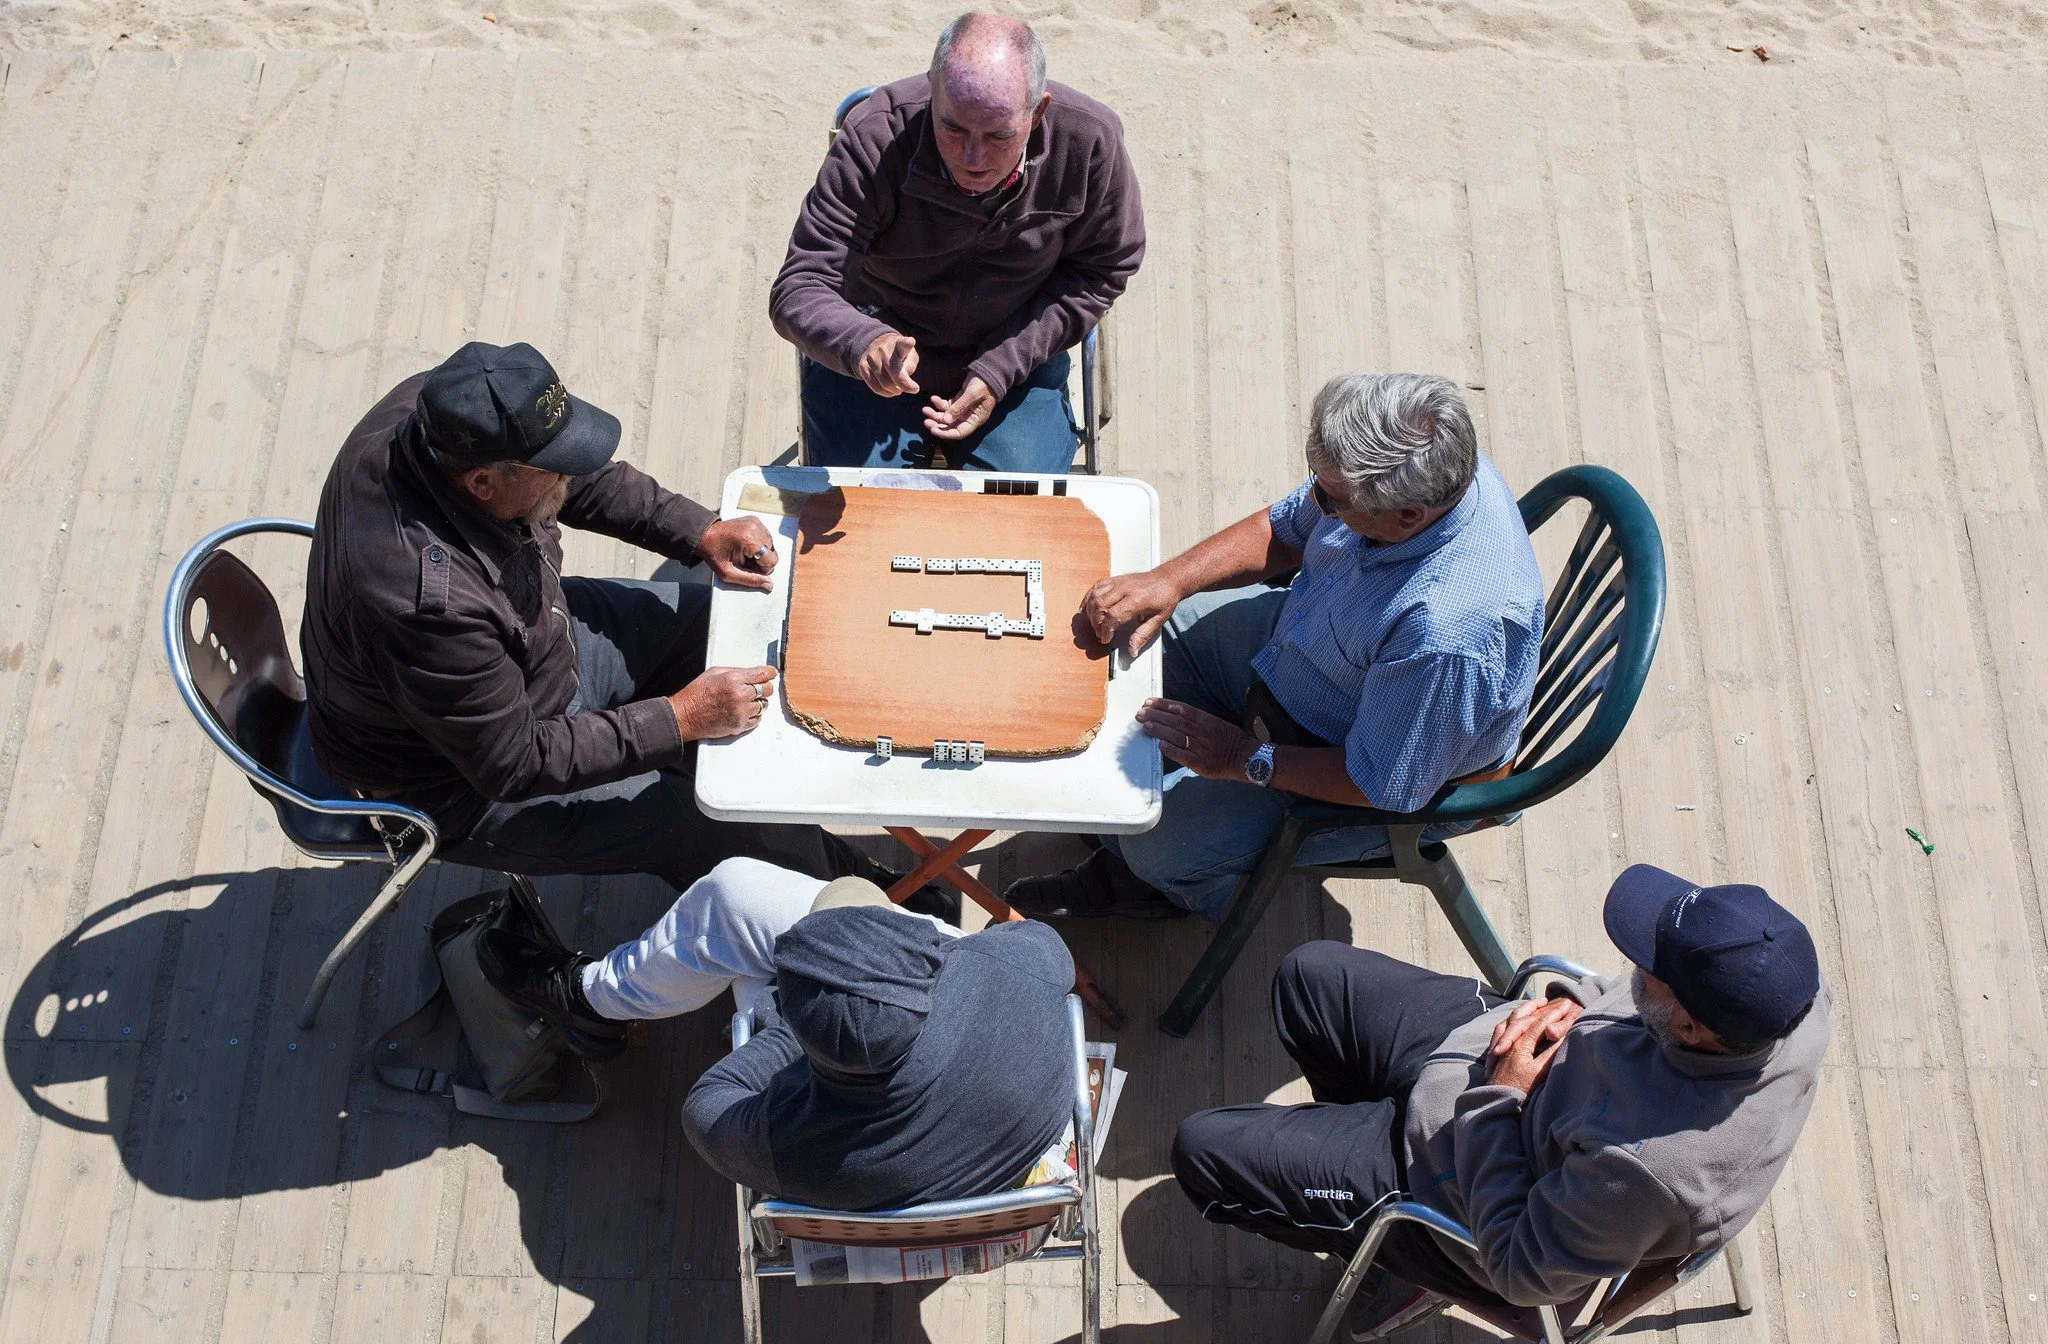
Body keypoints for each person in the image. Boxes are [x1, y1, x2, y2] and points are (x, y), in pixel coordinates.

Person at [301, 340, 934, 902]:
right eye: (554, 464)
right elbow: (513, 761)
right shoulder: (426, 603)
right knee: (706, 817)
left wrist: (700, 531)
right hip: (461, 782)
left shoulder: (443, 409)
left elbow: (579, 477)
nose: (569, 472)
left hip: (536, 641)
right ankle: (859, 910)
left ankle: (825, 847)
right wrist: (680, 718)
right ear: (484, 483)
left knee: (719, 626)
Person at [1170, 865, 1831, 1335]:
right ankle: (1356, 1166)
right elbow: (1639, 1005)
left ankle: (1388, 1243)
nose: (1631, 965)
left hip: (1463, 1190)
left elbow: (1518, 1267)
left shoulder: (1651, 1168)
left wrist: (1499, 1094)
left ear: (1689, 1027)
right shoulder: (1789, 992)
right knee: (1308, 979)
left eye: (1644, 969)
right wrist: (1580, 1007)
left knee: (1202, 1150)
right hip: (1501, 1061)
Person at [1005, 371, 1545, 921]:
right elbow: (1286, 529)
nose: (1316, 502)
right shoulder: (1425, 472)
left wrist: (1242, 758)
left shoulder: (1450, 635)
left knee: (1153, 845)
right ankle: (1139, 819)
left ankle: (1163, 887)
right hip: (1316, 645)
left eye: (1331, 500)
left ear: (1408, 516)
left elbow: (1383, 781)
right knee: (1137, 641)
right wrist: (1171, 579)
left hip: (1370, 762)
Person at [479, 858, 1078, 1211]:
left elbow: (710, 1103)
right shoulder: (1014, 973)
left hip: (895, 1130)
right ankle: (603, 993)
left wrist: (788, 1021)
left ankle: (592, 997)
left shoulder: (798, 1145)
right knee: (739, 930)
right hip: (992, 1169)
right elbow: (1044, 946)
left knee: (734, 901)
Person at [771, 12, 1145, 474]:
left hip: (1016, 348)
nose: (973, 158)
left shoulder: (1089, 143)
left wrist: (1002, 365)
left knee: (1019, 520)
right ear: (932, 89)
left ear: (1038, 111)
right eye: (953, 128)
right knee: (864, 515)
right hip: (880, 344)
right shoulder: (876, 135)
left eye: (999, 135)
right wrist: (864, 342)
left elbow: (1102, 269)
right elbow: (800, 286)